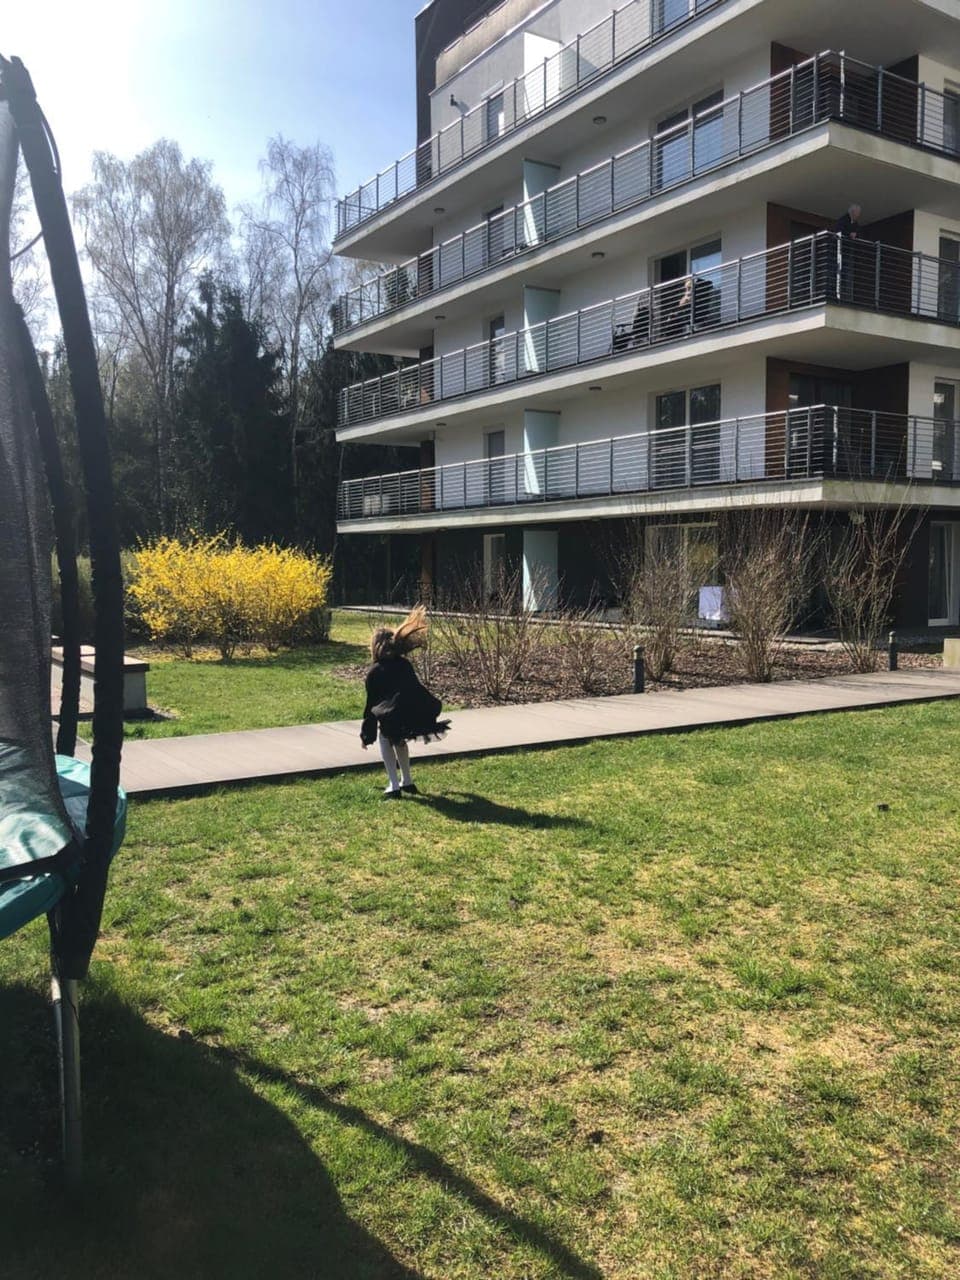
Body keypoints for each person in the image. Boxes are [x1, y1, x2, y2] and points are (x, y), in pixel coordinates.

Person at [360, 606, 450, 799]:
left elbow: (371, 706)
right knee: (399, 740)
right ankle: (407, 780)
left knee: (385, 738)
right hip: (413, 709)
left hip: (393, 712)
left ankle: (393, 784)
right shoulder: (404, 664)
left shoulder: (375, 671)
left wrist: (366, 734)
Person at [833, 203, 862, 302]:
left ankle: (845, 295)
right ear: (852, 212)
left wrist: (855, 235)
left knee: (847, 273)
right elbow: (838, 232)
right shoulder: (843, 220)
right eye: (857, 213)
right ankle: (838, 294)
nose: (858, 215)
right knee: (840, 271)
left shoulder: (855, 223)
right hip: (840, 251)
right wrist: (849, 234)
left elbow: (858, 233)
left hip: (848, 252)